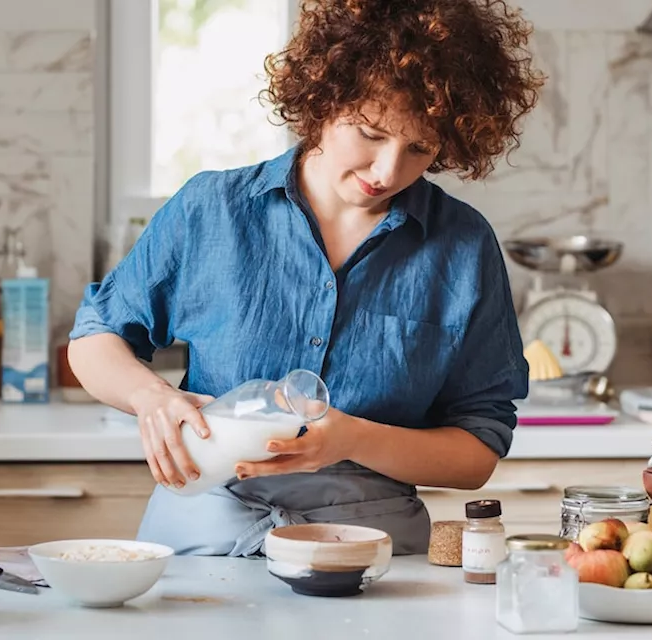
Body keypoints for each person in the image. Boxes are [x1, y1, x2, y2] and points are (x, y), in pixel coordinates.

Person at [67, 0, 546, 557]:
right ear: (323, 101)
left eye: (420, 148)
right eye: (370, 132)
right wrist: (149, 398)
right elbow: (95, 339)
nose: (388, 171)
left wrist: (349, 438)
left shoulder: (462, 245)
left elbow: (476, 451)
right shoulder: (212, 210)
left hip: (370, 547)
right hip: (204, 532)